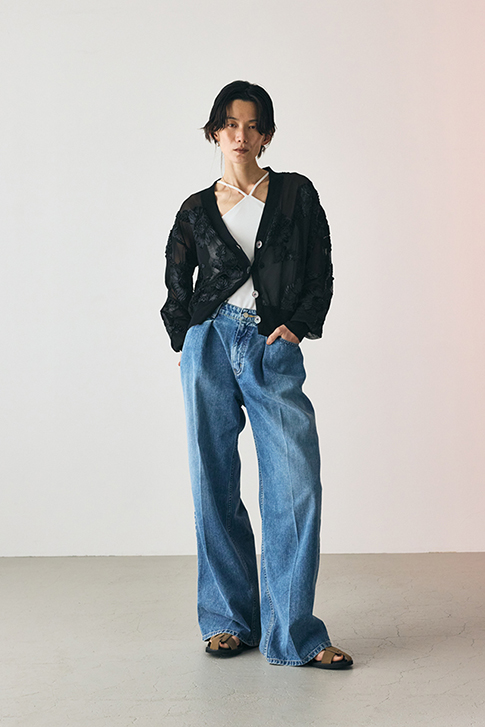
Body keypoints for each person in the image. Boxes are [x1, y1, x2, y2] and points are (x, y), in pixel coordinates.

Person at [160, 80, 353, 670]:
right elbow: (176, 283)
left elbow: (320, 267)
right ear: (215, 132)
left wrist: (298, 326)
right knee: (213, 481)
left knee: (295, 486)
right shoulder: (195, 209)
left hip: (272, 346)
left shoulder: (295, 194)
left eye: (251, 125)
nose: (240, 135)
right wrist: (187, 339)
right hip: (210, 344)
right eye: (230, 124)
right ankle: (227, 620)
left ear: (266, 135)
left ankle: (294, 635)